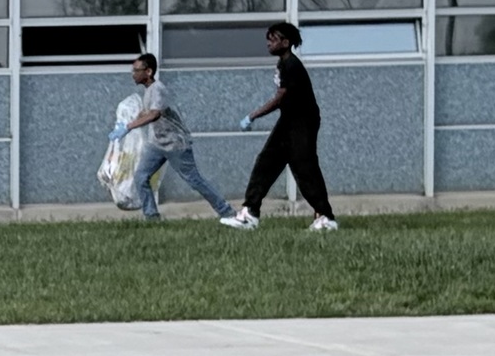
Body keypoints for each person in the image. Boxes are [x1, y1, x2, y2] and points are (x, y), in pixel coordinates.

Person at [220, 22, 338, 231]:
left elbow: (280, 98)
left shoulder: (292, 65)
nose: (269, 43)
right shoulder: (283, 64)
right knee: (266, 163)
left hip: (303, 122)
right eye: (268, 38)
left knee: (304, 167)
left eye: (273, 39)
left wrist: (253, 115)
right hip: (289, 121)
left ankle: (325, 217)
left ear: (286, 42)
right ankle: (250, 214)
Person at [109, 53, 236, 222]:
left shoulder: (158, 89)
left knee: (194, 180)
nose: (133, 74)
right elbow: (145, 112)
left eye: (136, 70)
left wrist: (129, 127)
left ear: (148, 71)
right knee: (141, 177)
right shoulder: (148, 91)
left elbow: (154, 115)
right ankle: (152, 217)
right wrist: (126, 123)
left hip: (175, 144)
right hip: (157, 145)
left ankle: (226, 211)